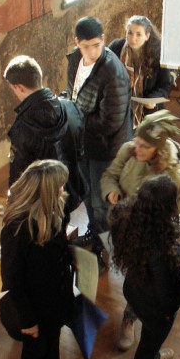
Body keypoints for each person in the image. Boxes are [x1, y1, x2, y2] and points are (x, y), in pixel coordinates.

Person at [101, 110, 180, 351]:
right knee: (132, 276)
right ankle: (131, 314)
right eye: (137, 142)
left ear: (159, 151)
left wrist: (161, 235)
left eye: (144, 147)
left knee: (145, 280)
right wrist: (111, 191)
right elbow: (110, 175)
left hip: (152, 241)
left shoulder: (175, 178)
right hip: (126, 233)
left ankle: (130, 316)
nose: (136, 149)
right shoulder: (128, 151)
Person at [0, 160, 75, 359]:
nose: (64, 190)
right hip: (32, 306)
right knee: (36, 350)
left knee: (53, 343)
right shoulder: (17, 229)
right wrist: (27, 320)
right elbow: (12, 281)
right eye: (60, 186)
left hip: (54, 298)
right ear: (45, 192)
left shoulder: (55, 209)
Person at [109, 175, 180, 359]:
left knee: (150, 338)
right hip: (156, 308)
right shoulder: (163, 248)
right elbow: (167, 294)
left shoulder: (125, 218)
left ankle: (153, 357)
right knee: (149, 340)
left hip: (133, 290)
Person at [67, 16, 132, 246]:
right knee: (86, 189)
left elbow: (110, 123)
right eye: (86, 46)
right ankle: (96, 233)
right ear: (77, 43)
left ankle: (105, 245)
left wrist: (75, 118)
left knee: (100, 201)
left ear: (103, 39)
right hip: (84, 142)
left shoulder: (112, 73)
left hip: (104, 148)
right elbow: (74, 93)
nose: (92, 51)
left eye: (96, 45)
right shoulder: (74, 59)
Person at [3, 55, 68, 187]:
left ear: (19, 87)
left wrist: (14, 195)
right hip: (71, 187)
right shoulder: (66, 105)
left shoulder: (22, 128)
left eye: (13, 89)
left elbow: (19, 171)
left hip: (45, 194)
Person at [108, 15, 173, 128]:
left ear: (147, 36)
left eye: (138, 34)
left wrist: (153, 99)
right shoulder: (115, 48)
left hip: (148, 112)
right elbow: (106, 75)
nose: (133, 38)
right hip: (120, 106)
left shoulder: (158, 55)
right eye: (130, 33)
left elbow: (165, 85)